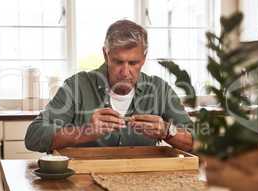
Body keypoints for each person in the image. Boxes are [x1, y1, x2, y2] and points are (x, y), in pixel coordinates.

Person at [25, 20, 193, 153]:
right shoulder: (77, 86)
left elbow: (197, 142)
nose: (125, 72)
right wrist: (84, 132)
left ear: (144, 57)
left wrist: (167, 131)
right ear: (106, 54)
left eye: (133, 63)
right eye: (118, 62)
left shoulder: (159, 90)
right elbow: (33, 136)